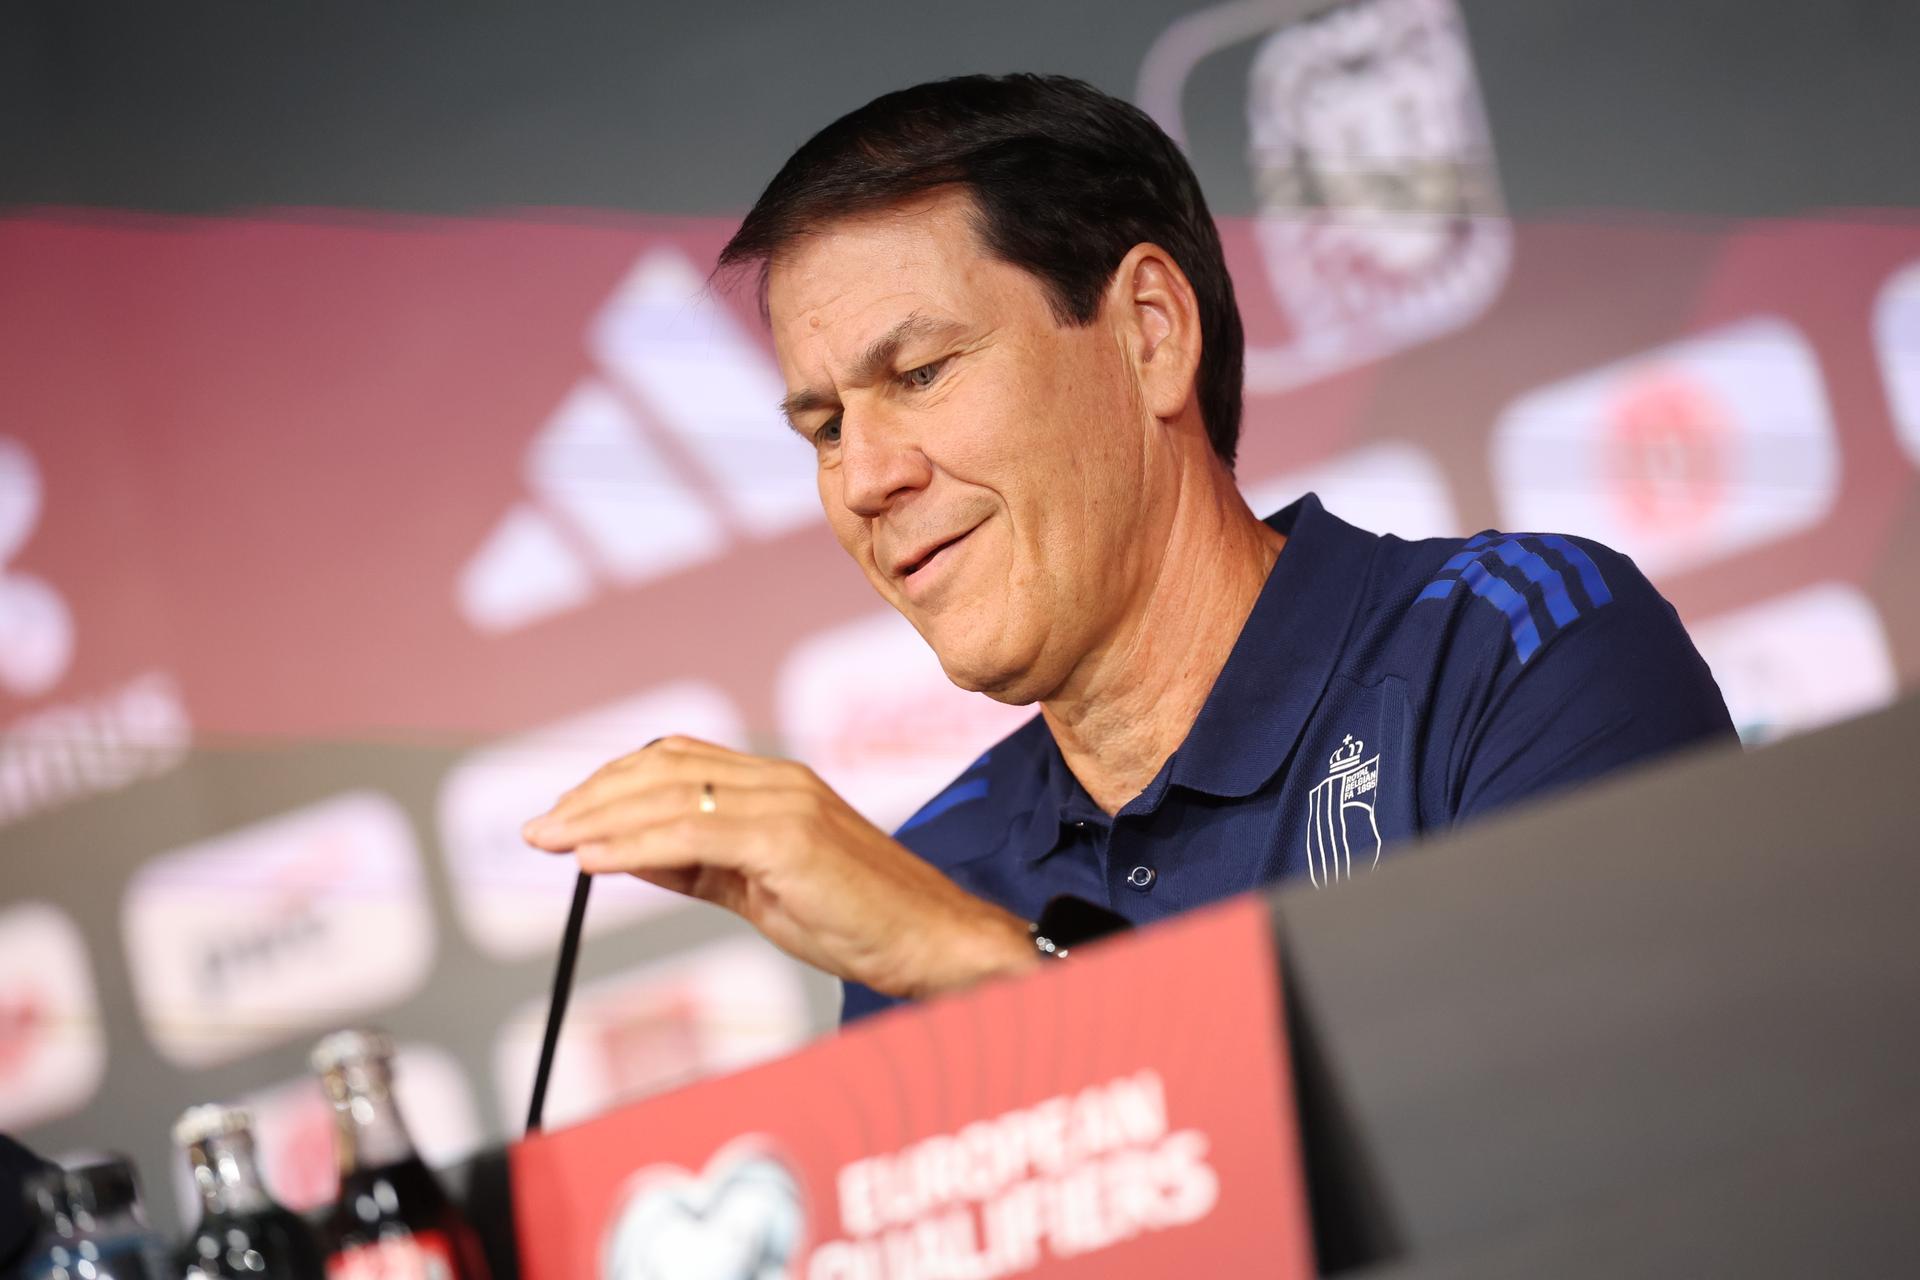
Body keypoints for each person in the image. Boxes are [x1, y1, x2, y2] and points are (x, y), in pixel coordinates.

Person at [521, 74, 1735, 1023]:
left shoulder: (1518, 654)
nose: (865, 477)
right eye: (827, 424)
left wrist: (978, 966)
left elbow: (1584, 1163)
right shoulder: (937, 869)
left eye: (923, 372)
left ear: (1150, 334)